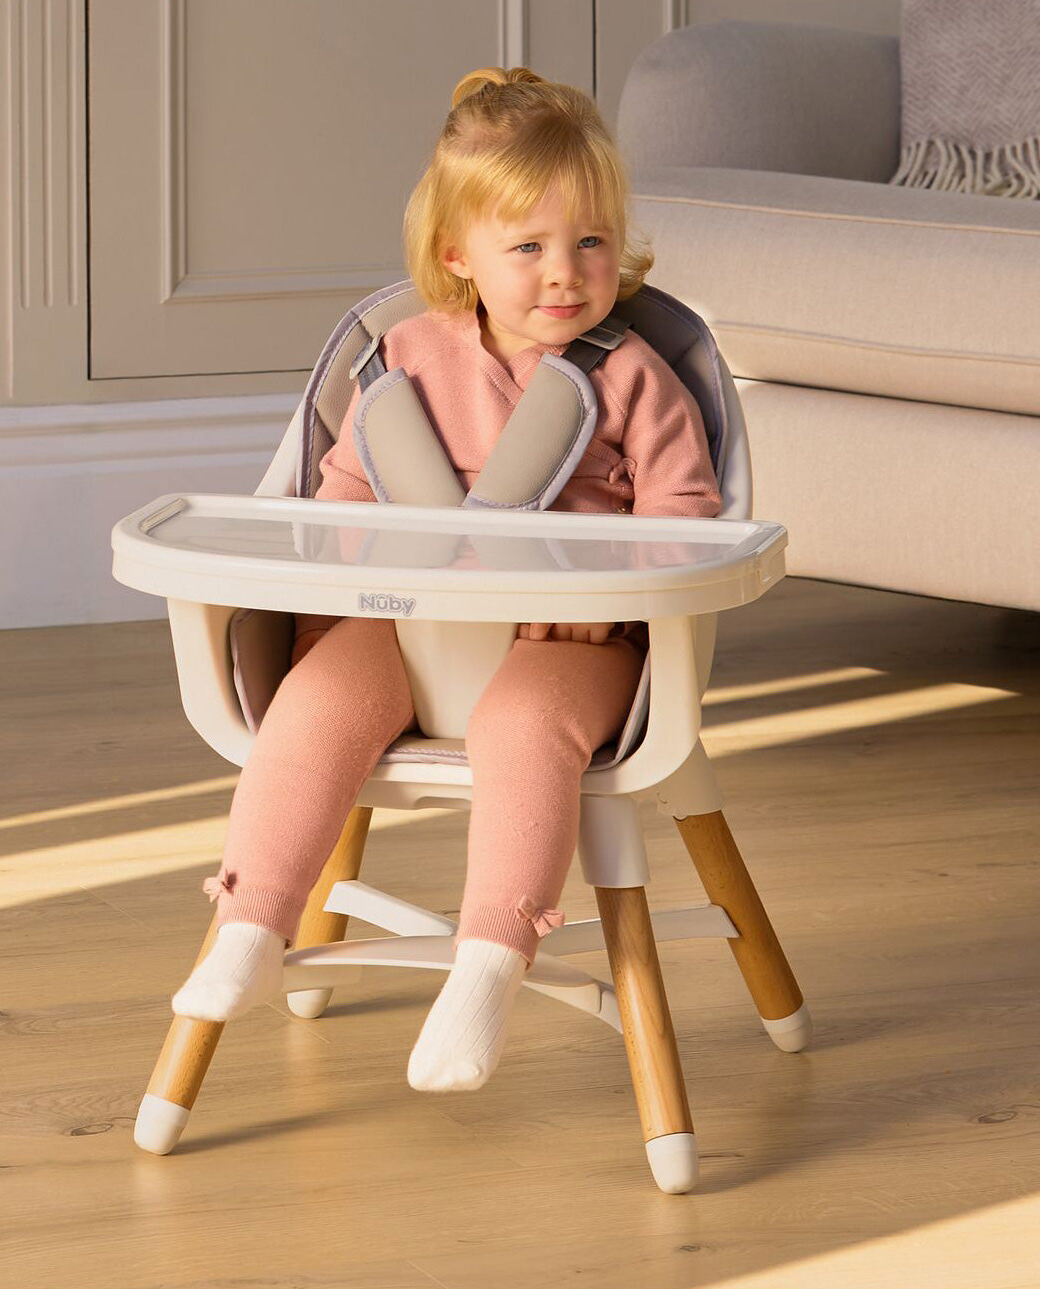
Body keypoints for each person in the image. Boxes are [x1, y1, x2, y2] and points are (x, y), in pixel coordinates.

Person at [171, 65, 721, 1093]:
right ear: (456, 254)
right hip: (404, 631)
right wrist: (350, 595)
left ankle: (487, 964)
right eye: (530, 247)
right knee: (316, 704)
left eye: (591, 241)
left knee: (524, 731)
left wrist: (605, 602)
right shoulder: (399, 363)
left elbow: (686, 523)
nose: (567, 272)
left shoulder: (636, 375)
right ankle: (248, 925)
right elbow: (333, 508)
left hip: (569, 646)